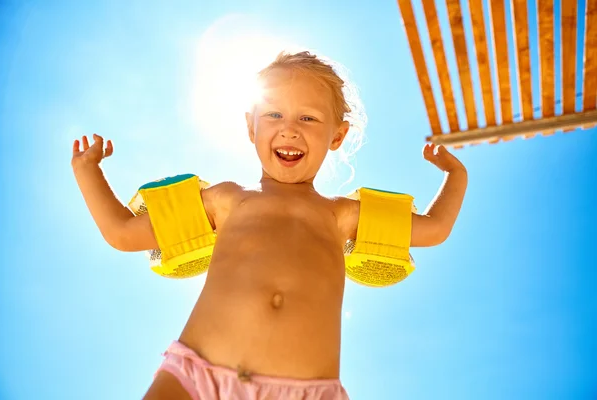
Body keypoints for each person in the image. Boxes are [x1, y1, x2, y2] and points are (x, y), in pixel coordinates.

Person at [71, 51, 468, 400]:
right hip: (198, 377)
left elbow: (435, 228)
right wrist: (87, 170)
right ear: (251, 127)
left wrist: (456, 175)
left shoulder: (341, 215)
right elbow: (122, 232)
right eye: (273, 113)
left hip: (308, 391)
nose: (289, 128)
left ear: (337, 135)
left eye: (308, 117)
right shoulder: (227, 199)